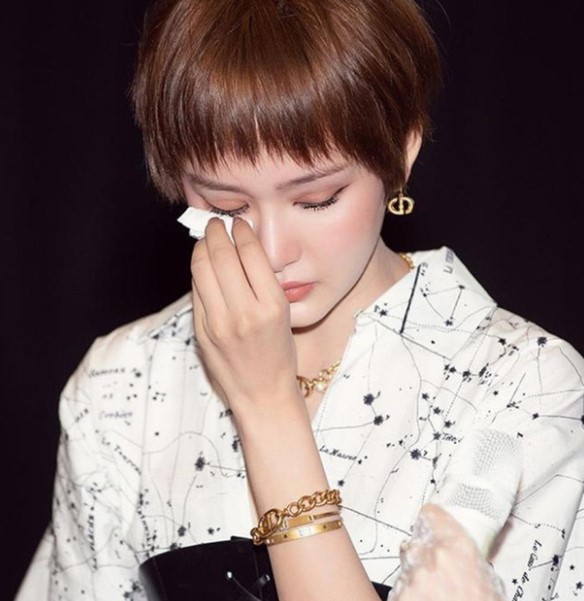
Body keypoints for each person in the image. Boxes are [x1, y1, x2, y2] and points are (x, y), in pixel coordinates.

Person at [16, 0, 584, 600]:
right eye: (226, 206)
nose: (273, 249)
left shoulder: (523, 391)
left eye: (317, 199)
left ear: (402, 151)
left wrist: (267, 407)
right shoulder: (124, 382)